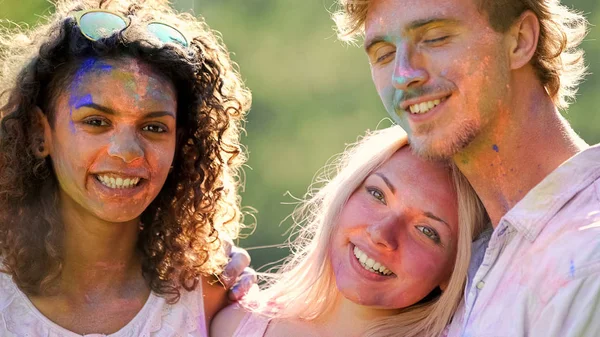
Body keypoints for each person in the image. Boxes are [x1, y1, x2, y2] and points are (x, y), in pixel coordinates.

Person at [333, 0, 600, 335]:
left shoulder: (587, 261)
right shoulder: (460, 267)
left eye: (435, 38)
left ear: (519, 40)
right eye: (384, 53)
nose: (402, 75)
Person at [0, 0, 254, 335]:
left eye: (153, 127)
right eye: (96, 121)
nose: (126, 152)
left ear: (181, 145)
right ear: (39, 133)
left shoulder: (211, 293)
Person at [211, 126, 488, 337]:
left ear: (453, 269)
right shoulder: (232, 325)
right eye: (378, 195)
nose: (382, 234)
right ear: (345, 194)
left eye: (427, 231)